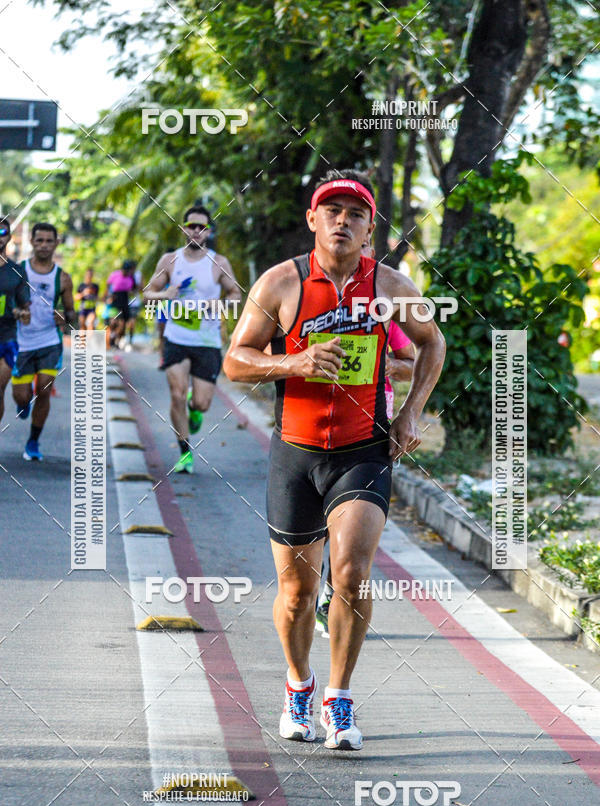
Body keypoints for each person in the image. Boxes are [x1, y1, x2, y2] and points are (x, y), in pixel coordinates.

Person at [224, 170, 445, 750]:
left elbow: (432, 342)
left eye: (355, 213)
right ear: (313, 220)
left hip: (362, 450)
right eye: (332, 210)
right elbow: (236, 361)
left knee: (350, 573)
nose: (342, 220)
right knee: (297, 593)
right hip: (295, 453)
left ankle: (340, 700)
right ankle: (300, 685)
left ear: (371, 226)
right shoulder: (280, 283)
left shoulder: (391, 286)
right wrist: (293, 364)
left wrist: (412, 413)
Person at [315, 241, 415, 637]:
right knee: (321, 525)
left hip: (370, 430)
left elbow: (414, 360)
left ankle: (331, 590)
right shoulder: (310, 299)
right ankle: (324, 581)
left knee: (351, 532)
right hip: (313, 432)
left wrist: (383, 363)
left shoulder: (384, 307)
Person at [144, 206, 241, 473]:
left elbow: (235, 295)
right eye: (191, 226)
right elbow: (148, 294)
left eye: (202, 227)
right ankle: (185, 453)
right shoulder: (169, 261)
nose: (196, 231)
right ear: (183, 229)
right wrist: (165, 295)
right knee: (175, 394)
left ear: (208, 231)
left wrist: (218, 304)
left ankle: (194, 406)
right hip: (176, 337)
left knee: (201, 403)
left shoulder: (219, 263)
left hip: (207, 342)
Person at [12, 222, 75, 461]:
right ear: (31, 242)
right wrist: (17, 312)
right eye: (40, 240)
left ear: (56, 243)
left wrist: (65, 317)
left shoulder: (63, 278)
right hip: (21, 342)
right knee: (21, 396)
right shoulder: (18, 271)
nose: (44, 245)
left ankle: (33, 441)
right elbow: (6, 303)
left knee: (45, 390)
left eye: (49, 241)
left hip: (49, 341)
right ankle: (23, 403)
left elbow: (72, 314)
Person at [0, 218, 30, 426]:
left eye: (2, 233)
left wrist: (21, 314)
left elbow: (25, 309)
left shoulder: (17, 271)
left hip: (6, 339)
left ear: (9, 238)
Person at [104, 260, 136, 347]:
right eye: (125, 270)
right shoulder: (115, 275)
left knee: (123, 324)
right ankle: (111, 338)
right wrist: (108, 296)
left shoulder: (131, 278)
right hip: (115, 299)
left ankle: (116, 339)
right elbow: (108, 285)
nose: (126, 272)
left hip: (125, 300)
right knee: (113, 321)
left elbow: (134, 289)